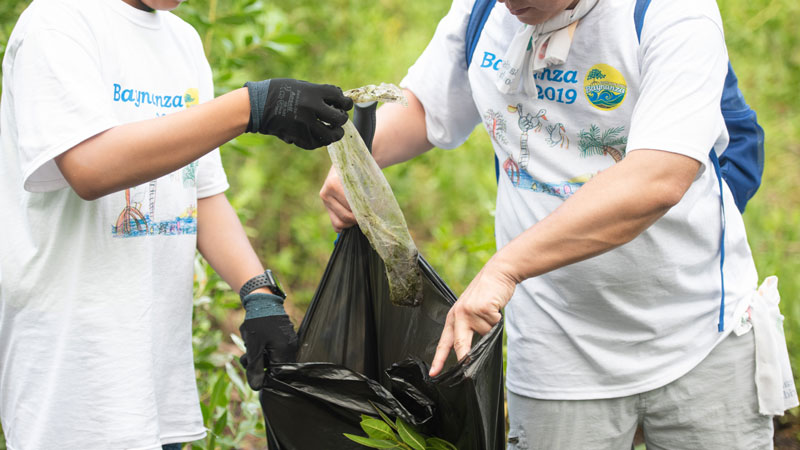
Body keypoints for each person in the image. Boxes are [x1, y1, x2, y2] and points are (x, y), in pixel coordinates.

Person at [320, 0, 793, 448]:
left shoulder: (668, 11)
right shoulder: (484, 10)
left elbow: (658, 176)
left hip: (699, 333)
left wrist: (504, 269)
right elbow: (426, 108)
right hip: (554, 344)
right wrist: (359, 161)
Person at [0, 0, 353, 448]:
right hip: (72, 381)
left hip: (153, 382)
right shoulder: (58, 21)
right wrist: (250, 106)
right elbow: (88, 167)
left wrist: (258, 294)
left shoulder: (181, 40)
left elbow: (200, 193)